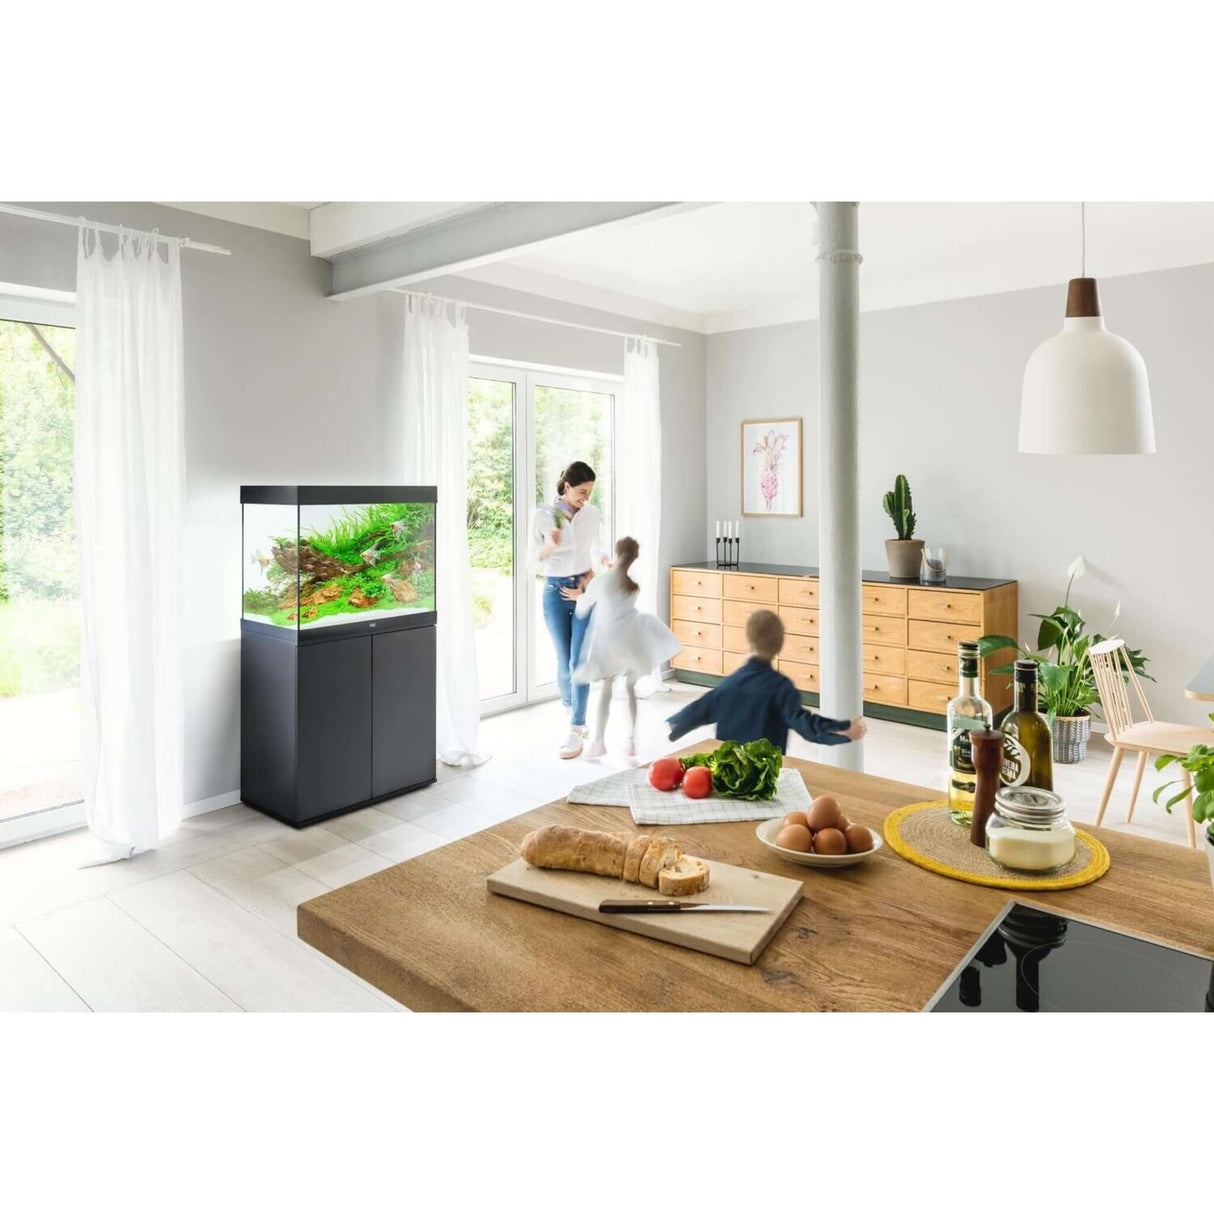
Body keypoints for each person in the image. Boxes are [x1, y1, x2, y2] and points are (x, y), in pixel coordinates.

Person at [666, 609, 867, 753]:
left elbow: (699, 710)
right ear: (779, 646)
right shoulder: (782, 688)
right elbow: (807, 726)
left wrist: (675, 724)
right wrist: (844, 729)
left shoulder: (730, 684)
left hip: (728, 772)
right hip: (764, 774)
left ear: (749, 642)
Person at [572, 537, 680, 759]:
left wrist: (582, 591)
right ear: (634, 558)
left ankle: (599, 742)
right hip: (630, 639)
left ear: (617, 552)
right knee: (630, 689)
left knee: (607, 689)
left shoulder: (602, 581)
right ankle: (631, 741)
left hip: (608, 642)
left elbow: (582, 609)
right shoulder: (633, 586)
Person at [528, 460, 607, 759]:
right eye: (582, 492)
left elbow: (595, 550)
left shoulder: (591, 514)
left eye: (590, 492)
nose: (586, 498)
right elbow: (530, 560)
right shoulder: (542, 515)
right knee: (564, 662)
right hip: (554, 591)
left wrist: (599, 568)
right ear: (567, 486)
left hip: (583, 590)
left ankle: (576, 728)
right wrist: (548, 546)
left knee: (579, 662)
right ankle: (572, 711)